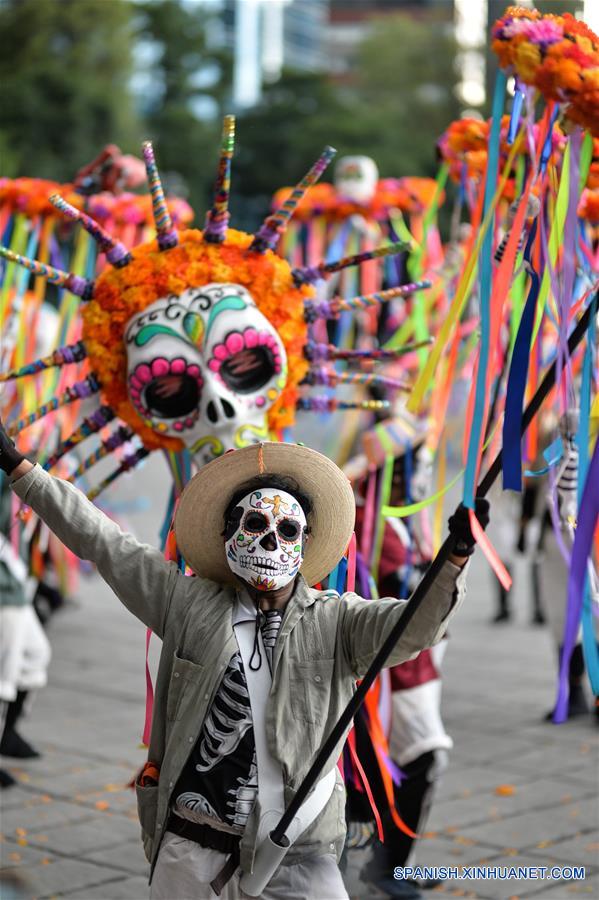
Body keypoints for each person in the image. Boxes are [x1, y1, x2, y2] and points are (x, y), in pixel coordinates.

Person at [0, 420, 487, 899]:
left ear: (305, 542)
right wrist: (20, 468)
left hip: (299, 853)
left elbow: (417, 626)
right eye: (256, 524)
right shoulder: (186, 603)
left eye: (288, 530)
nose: (271, 541)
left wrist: (454, 560)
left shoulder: (340, 622)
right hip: (191, 848)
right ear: (229, 533)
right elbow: (103, 543)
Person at [0, 475, 51, 786]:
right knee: (3, 678)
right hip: (3, 587)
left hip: (13, 581)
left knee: (35, 655)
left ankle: (8, 734)